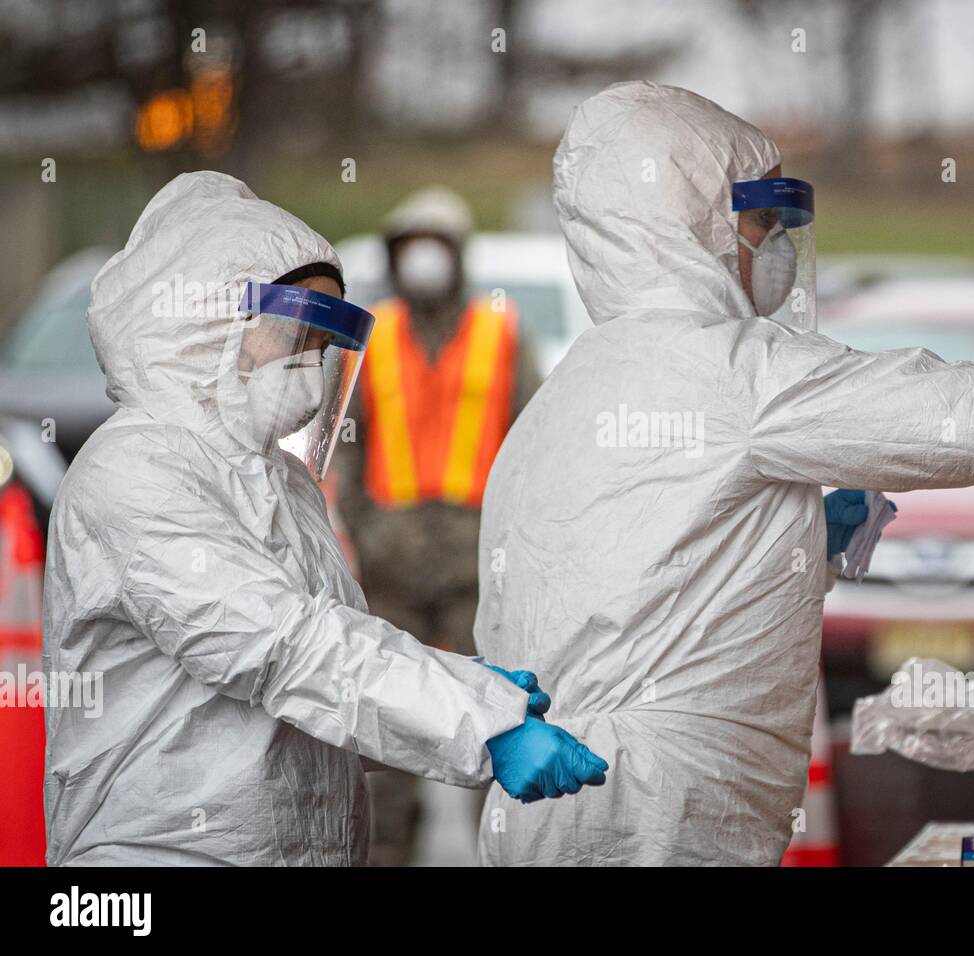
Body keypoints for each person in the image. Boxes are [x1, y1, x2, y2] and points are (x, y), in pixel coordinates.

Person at [472, 81, 974, 866]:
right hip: (660, 816)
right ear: (685, 222)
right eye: (759, 222)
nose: (774, 246)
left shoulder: (557, 402)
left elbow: (649, 604)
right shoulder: (737, 373)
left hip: (556, 809)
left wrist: (804, 547)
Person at [42, 171, 606, 866]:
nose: (310, 364)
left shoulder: (279, 481)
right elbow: (285, 648)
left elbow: (319, 693)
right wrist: (479, 718)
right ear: (208, 323)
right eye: (294, 333)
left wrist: (464, 689)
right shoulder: (135, 472)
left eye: (321, 341)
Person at [332, 186, 543, 864]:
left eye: (435, 244)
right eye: (409, 245)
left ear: (457, 254)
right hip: (392, 569)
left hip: (477, 567)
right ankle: (389, 854)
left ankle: (504, 854)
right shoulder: (374, 335)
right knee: (388, 733)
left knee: (500, 718)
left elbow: (531, 440)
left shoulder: (501, 331)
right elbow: (349, 442)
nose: (422, 258)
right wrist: (366, 531)